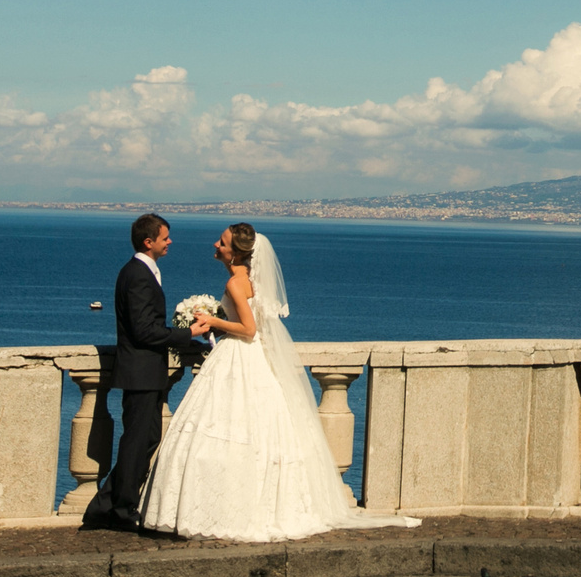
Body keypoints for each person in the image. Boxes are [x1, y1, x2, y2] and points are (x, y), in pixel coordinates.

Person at [136, 222, 419, 541]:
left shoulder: (235, 284)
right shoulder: (252, 281)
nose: (216, 245)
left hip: (240, 355)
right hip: (254, 359)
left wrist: (212, 320)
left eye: (222, 242)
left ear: (236, 252)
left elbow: (248, 329)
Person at [81, 213, 207, 532]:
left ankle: (106, 506)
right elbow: (143, 331)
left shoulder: (142, 271)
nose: (170, 242)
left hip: (146, 372)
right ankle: (120, 510)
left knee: (146, 438)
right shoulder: (137, 274)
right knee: (137, 440)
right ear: (148, 242)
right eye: (165, 238)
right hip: (140, 372)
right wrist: (186, 333)